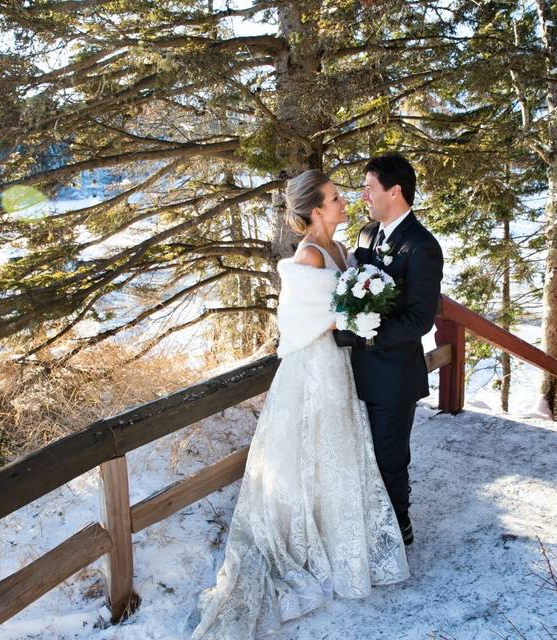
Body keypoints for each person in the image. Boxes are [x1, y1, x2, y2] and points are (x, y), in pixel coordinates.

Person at [191, 170, 409, 640]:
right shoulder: (309, 255)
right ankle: (304, 544)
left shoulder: (342, 250)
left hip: (338, 366)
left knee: (337, 450)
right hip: (313, 367)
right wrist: (351, 312)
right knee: (311, 450)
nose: (343, 201)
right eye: (334, 198)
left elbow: (346, 304)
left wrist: (360, 307)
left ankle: (338, 535)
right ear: (315, 210)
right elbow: (299, 319)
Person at [333, 153, 444, 547]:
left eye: (370, 188)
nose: (364, 195)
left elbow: (420, 320)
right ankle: (366, 521)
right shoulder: (366, 235)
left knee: (389, 457)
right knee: (361, 454)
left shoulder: (422, 246)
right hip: (355, 371)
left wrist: (367, 336)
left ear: (394, 191)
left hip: (394, 375)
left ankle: (398, 530)